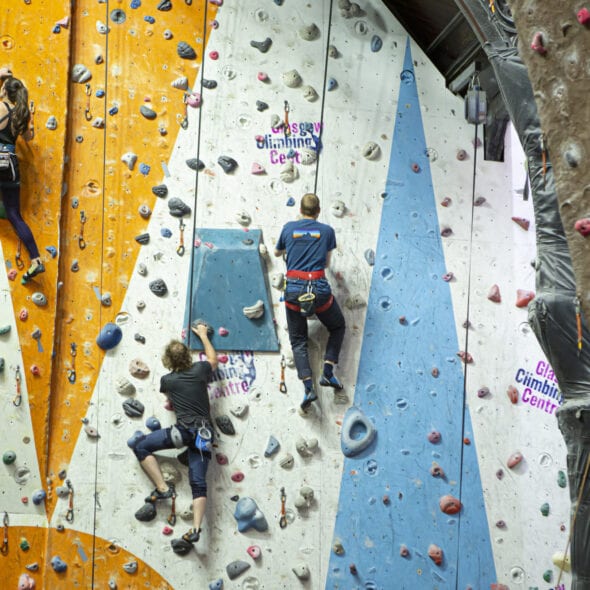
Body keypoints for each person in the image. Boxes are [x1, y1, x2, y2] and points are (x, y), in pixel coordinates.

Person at [132, 322, 218, 555]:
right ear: (188, 358)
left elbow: (171, 396)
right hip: (203, 435)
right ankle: (196, 528)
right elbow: (213, 359)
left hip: (183, 433)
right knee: (198, 485)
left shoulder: (167, 381)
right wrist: (202, 335)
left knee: (142, 447)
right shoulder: (201, 370)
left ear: (168, 362)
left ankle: (162, 488)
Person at [274, 193, 346, 411]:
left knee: (298, 341)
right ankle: (328, 372)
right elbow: (325, 262)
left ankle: (308, 388)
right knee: (338, 326)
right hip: (318, 290)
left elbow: (278, 252)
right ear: (319, 211)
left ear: (300, 210)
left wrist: (293, 248)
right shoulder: (327, 231)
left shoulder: (288, 228)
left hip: (294, 290)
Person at [0, 67, 44, 284]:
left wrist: (0, 75)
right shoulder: (21, 113)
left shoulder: (0, 107)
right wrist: (32, 119)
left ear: (4, 91)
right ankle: (35, 259)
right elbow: (28, 137)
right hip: (11, 165)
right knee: (14, 214)